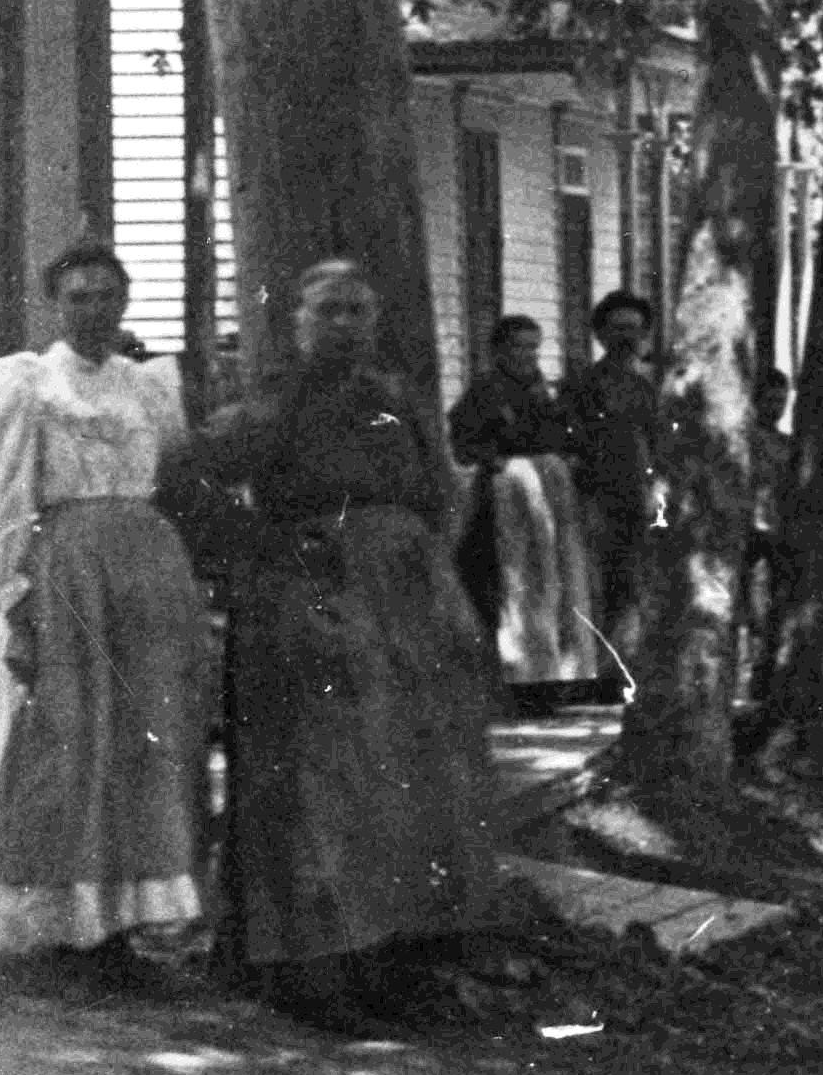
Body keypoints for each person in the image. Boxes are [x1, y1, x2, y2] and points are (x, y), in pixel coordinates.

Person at [170, 258, 518, 1023]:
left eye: (357, 311)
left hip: (406, 607)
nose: (344, 325)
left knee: (407, 778)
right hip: (313, 607)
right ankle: (315, 971)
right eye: (327, 311)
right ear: (297, 322)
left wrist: (435, 580)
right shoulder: (275, 401)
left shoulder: (396, 397)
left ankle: (398, 956)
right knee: (325, 785)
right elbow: (185, 470)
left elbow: (443, 491)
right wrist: (260, 546)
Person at [0, 242, 209, 971]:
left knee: (142, 743)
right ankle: (58, 924)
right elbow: (3, 495)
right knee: (65, 737)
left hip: (146, 573)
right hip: (67, 573)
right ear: (56, 306)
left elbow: (180, 482)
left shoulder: (151, 384)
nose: (94, 309)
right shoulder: (27, 384)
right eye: (78, 297)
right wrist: (14, 590)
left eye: (106, 296)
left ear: (125, 302)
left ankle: (131, 921)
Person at [446, 314, 603, 696]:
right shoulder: (485, 392)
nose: (527, 355)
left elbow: (570, 436)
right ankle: (512, 683)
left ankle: (552, 679)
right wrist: (497, 461)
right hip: (503, 504)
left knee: (556, 584)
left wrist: (565, 454)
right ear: (498, 350)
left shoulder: (544, 393)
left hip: (549, 500)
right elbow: (464, 444)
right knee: (509, 588)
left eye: (534, 347)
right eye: (518, 346)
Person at [558, 288, 663, 689]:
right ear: (600, 334)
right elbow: (570, 442)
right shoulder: (582, 386)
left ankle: (631, 671)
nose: (627, 337)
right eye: (617, 328)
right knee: (602, 586)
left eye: (634, 329)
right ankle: (603, 676)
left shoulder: (650, 388)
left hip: (644, 496)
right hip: (598, 497)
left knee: (639, 585)